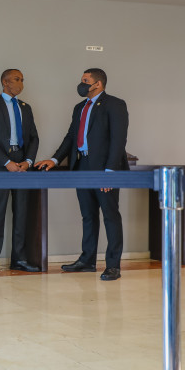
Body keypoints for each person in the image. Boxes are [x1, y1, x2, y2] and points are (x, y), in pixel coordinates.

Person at [34, 68, 128, 281]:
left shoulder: (115, 104)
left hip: (104, 169)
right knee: (88, 215)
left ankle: (113, 266)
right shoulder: (80, 107)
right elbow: (70, 136)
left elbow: (118, 139)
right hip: (82, 165)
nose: (82, 84)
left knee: (110, 215)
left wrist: (110, 172)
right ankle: (87, 260)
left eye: (85, 80)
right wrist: (54, 159)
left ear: (98, 84)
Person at [0, 69, 40, 274]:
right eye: (17, 79)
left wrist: (28, 161)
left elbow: (34, 138)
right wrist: (6, 162)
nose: (21, 83)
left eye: (22, 79)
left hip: (22, 165)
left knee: (21, 213)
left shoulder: (25, 107)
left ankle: (19, 259)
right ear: (5, 82)